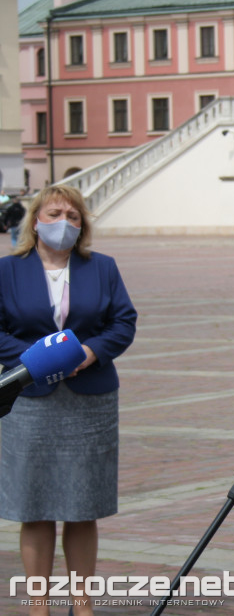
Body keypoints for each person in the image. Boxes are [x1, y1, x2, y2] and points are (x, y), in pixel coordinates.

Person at [0, 185, 137, 616]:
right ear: (36, 220)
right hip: (29, 398)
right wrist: (34, 360)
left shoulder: (102, 267)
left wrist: (92, 351)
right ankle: (38, 605)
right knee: (35, 505)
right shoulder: (8, 270)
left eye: (73, 216)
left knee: (82, 507)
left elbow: (123, 320)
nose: (64, 222)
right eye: (55, 213)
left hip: (89, 399)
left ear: (83, 224)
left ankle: (82, 604)